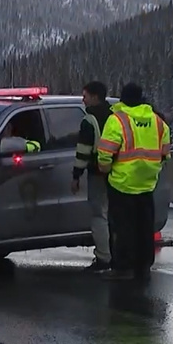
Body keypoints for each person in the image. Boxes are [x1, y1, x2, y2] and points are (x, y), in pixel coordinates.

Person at [96, 82, 170, 281]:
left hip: (122, 181)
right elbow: (165, 150)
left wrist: (105, 169)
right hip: (147, 182)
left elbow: (105, 151)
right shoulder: (157, 120)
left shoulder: (117, 120)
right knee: (144, 225)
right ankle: (144, 264)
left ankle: (122, 266)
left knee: (122, 226)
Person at [70, 81, 114, 272]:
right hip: (118, 172)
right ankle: (118, 254)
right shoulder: (116, 116)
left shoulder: (90, 120)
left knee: (99, 215)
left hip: (97, 172)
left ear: (95, 97)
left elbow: (83, 151)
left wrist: (76, 175)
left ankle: (104, 257)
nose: (83, 99)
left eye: (85, 96)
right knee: (114, 215)